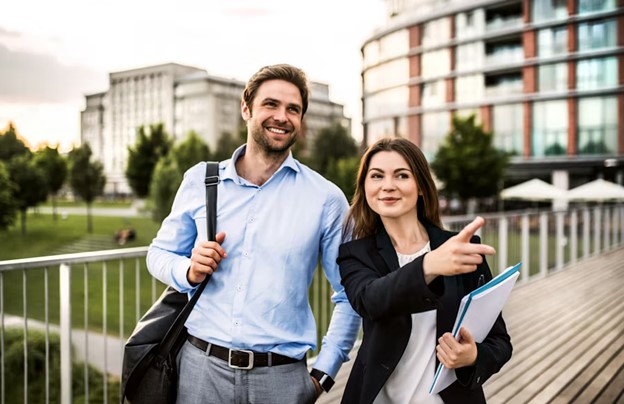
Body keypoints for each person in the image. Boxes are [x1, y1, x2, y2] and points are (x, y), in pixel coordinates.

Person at [146, 64, 360, 404]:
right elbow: (157, 254)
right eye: (271, 104)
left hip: (282, 379)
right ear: (247, 109)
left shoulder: (326, 199)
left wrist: (324, 372)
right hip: (199, 372)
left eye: (293, 109)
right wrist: (186, 270)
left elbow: (350, 293)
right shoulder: (200, 180)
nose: (282, 116)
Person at [337, 138, 512, 404]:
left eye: (402, 175)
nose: (388, 186)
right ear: (365, 186)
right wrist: (429, 265)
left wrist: (473, 356)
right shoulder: (355, 254)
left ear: (420, 186)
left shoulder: (462, 249)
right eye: (376, 176)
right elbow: (370, 300)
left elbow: (499, 341)